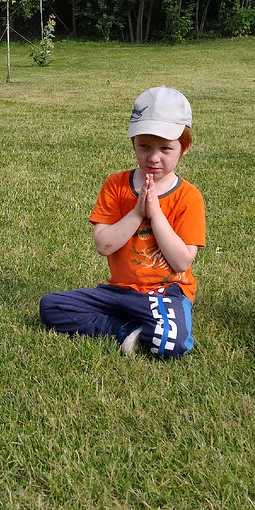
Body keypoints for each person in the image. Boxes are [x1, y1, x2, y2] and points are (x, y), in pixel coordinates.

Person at [39, 86, 207, 359]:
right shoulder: (116, 185)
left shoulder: (189, 196)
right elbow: (104, 245)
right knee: (52, 307)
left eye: (166, 148)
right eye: (144, 146)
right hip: (120, 292)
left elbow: (181, 262)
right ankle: (128, 329)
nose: (153, 157)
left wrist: (156, 214)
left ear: (184, 148)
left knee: (170, 344)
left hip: (166, 294)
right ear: (133, 143)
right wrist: (137, 213)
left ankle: (150, 326)